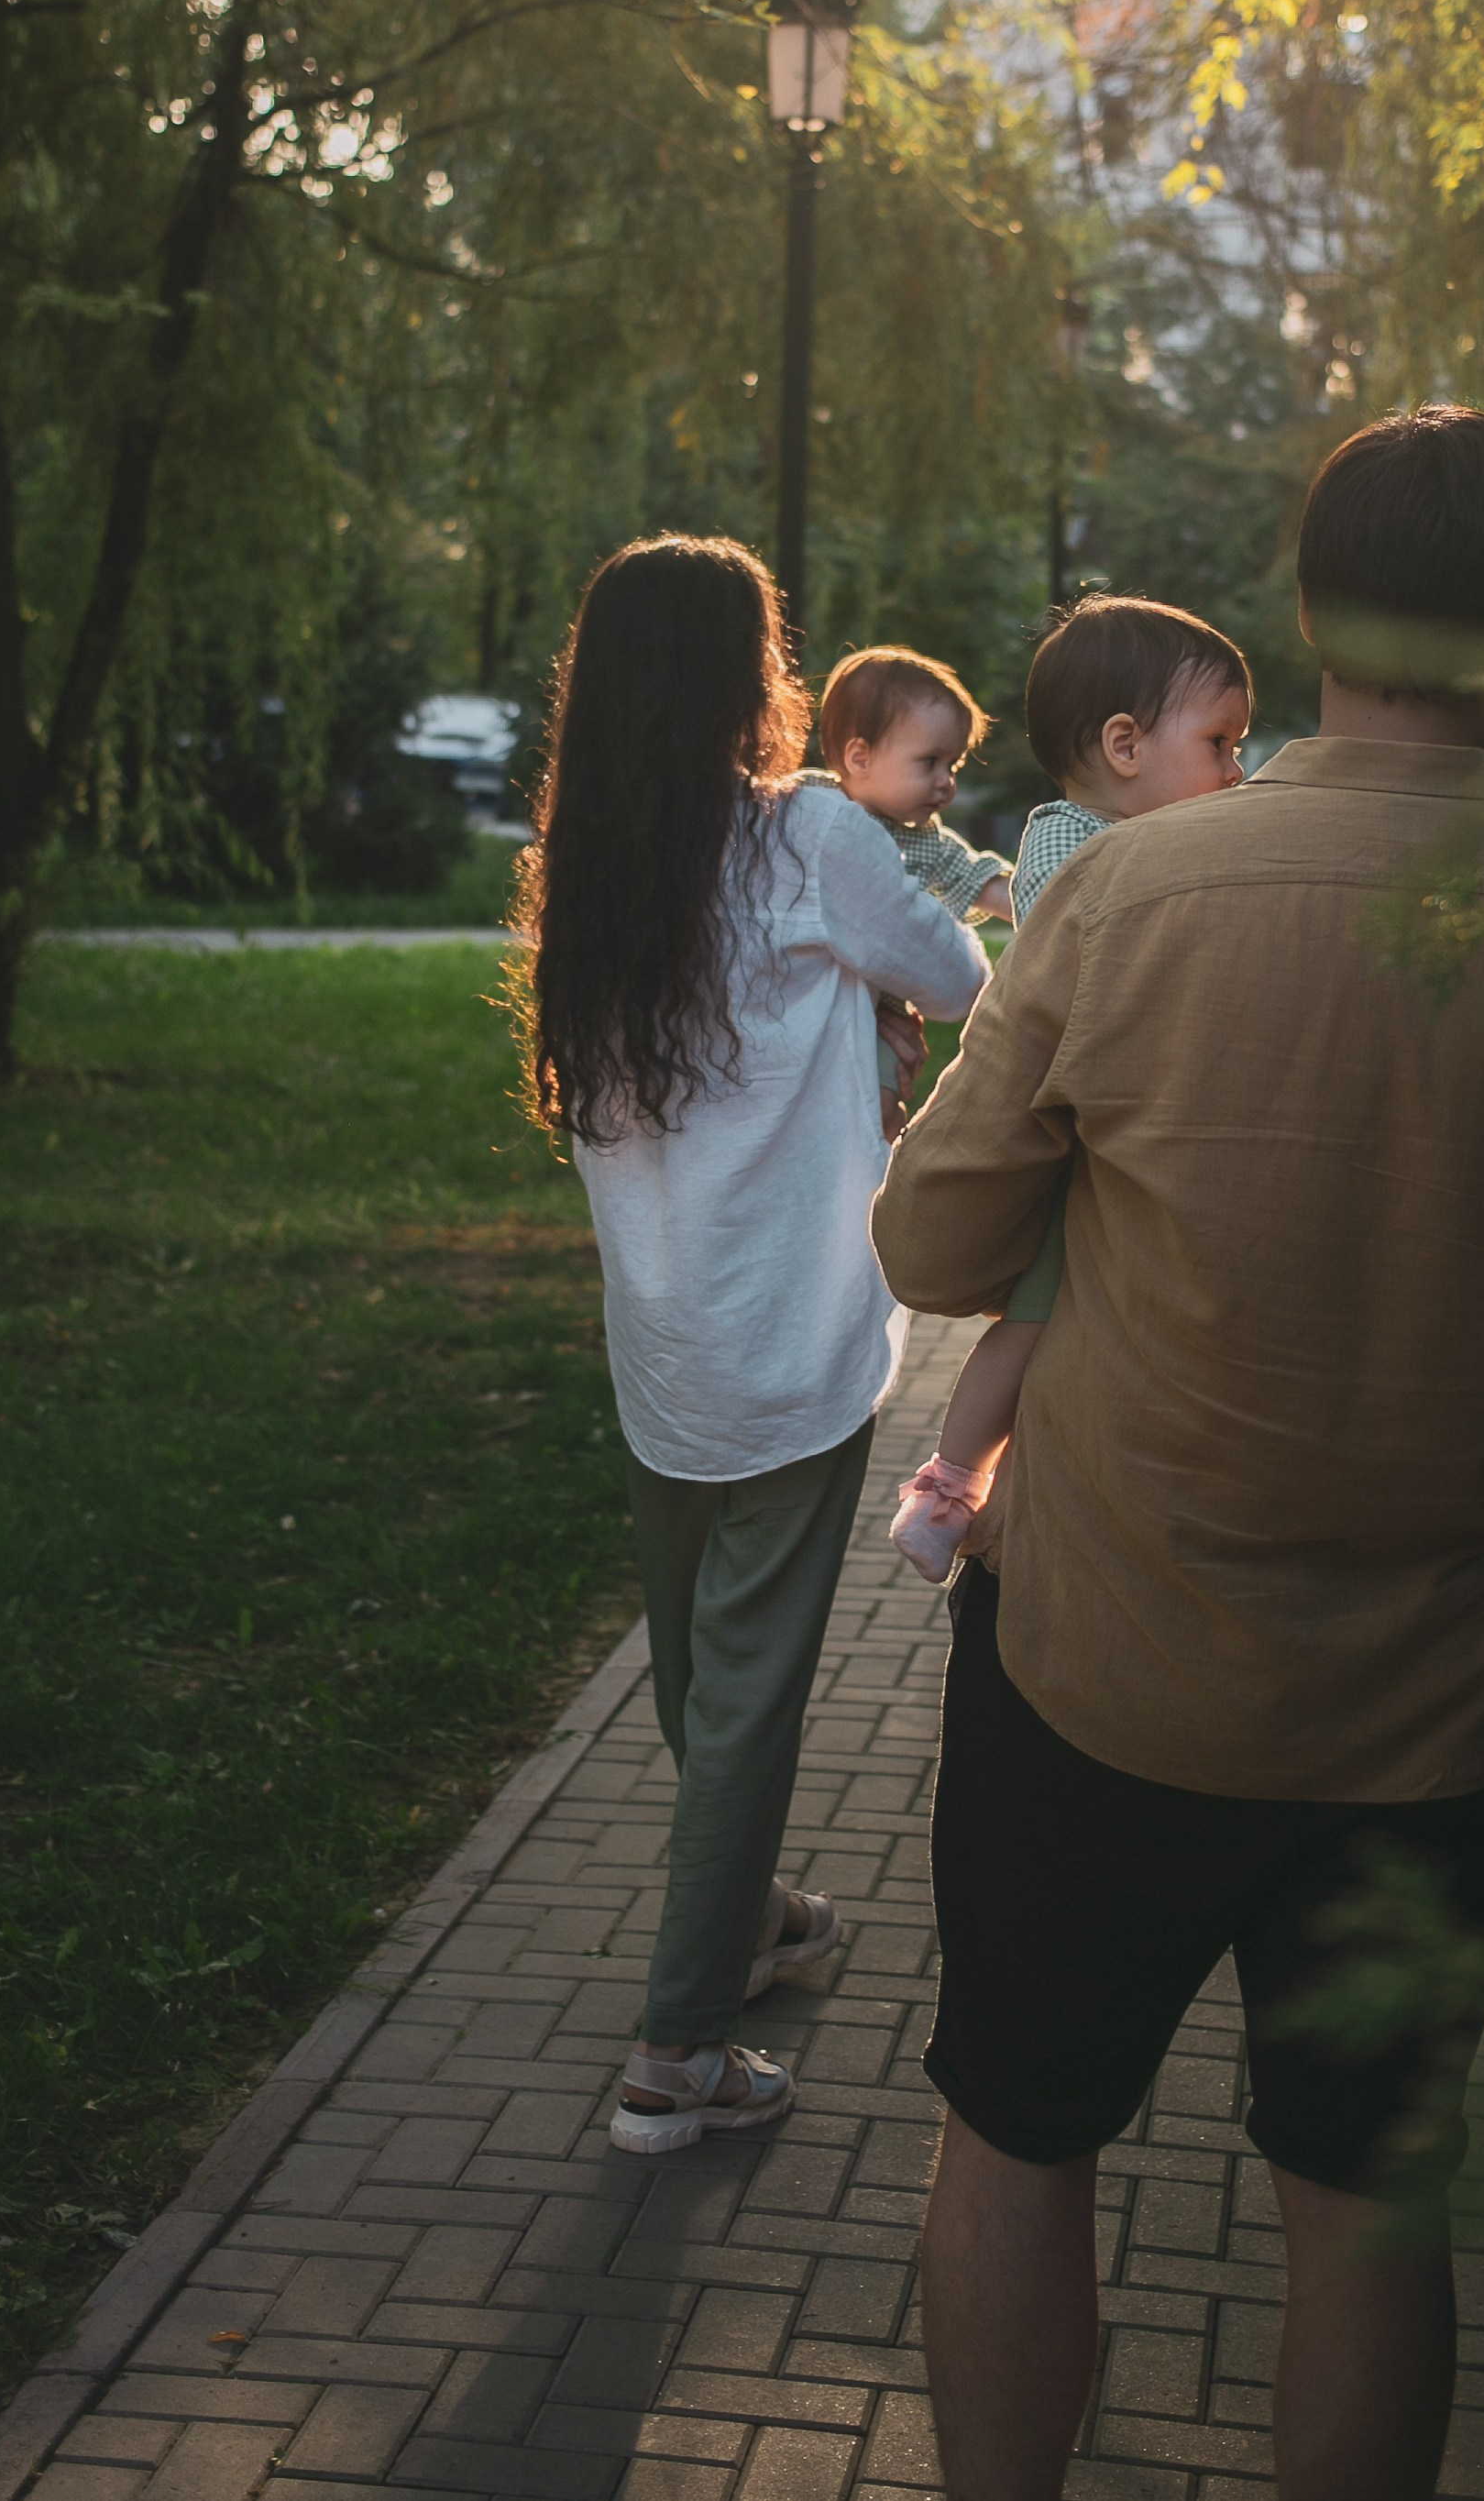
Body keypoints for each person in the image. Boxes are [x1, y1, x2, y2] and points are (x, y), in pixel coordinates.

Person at [872, 410, 1484, 2501]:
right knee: (1365, 2204)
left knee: (1016, 2134)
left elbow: (934, 1233)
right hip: (1431, 1712)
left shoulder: (1130, 891)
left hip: (1102, 1670)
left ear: (1307, 612)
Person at [513, 535, 988, 2158]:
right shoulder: (804, 832)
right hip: (787, 1335)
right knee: (749, 1702)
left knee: (703, 1675)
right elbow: (962, 968)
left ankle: (761, 1912)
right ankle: (675, 2054)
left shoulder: (591, 859)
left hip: (665, 1343)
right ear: (748, 675)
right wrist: (865, 1006)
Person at [887, 597, 1253, 1582]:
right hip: (1060, 1136)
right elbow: (1087, 955)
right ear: (1124, 745)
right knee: (1037, 1316)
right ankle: (949, 1483)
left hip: (1113, 1136)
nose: (1235, 772)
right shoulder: (1066, 838)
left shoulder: (1161, 845)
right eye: (1220, 742)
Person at [797, 645, 1015, 1139]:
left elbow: (985, 884)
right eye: (930, 762)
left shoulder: (924, 838)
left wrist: (1058, 905)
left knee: (875, 1115)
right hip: (812, 1002)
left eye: (953, 766)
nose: (945, 783)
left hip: (885, 1016)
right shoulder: (804, 804)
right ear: (860, 757)